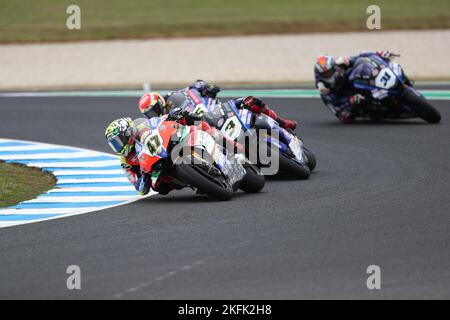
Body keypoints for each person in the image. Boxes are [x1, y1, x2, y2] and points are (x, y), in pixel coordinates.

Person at [105, 114, 242, 196]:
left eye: (118, 141)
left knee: (197, 124)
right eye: (114, 144)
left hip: (168, 145)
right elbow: (139, 188)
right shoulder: (125, 162)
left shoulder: (142, 126)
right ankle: (196, 181)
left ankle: (231, 145)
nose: (118, 146)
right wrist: (144, 179)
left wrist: (173, 115)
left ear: (127, 133)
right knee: (160, 187)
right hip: (158, 169)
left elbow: (161, 120)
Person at [138, 80, 298, 130]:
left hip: (216, 111)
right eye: (150, 114)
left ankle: (282, 122)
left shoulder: (176, 95)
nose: (154, 114)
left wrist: (206, 88)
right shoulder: (163, 124)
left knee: (247, 101)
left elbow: (197, 84)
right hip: (204, 128)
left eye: (155, 110)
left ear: (160, 102)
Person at [314, 51, 408, 123]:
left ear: (334, 66)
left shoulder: (342, 62)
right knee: (350, 115)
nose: (329, 74)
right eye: (326, 73)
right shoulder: (324, 90)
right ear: (321, 75)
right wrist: (350, 101)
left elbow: (362, 56)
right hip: (357, 101)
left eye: (330, 71)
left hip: (364, 82)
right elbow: (339, 113)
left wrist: (379, 54)